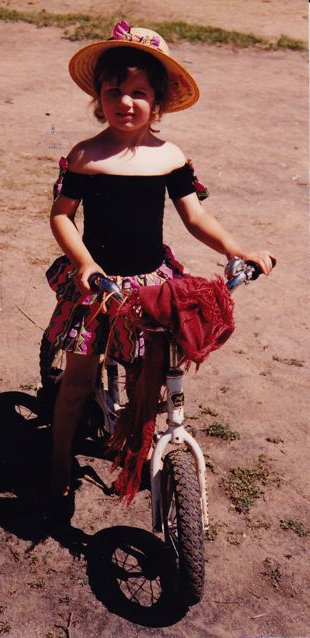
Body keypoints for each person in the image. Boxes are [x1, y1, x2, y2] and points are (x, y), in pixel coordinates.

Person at [45, 19, 275, 507]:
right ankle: (59, 459)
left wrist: (236, 249)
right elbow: (62, 217)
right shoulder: (86, 156)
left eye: (138, 92)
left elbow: (194, 215)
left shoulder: (169, 157)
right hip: (97, 282)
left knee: (148, 374)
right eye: (114, 90)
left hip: (151, 283)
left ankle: (136, 443)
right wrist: (84, 263)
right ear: (98, 96)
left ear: (159, 101)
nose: (125, 102)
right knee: (79, 381)